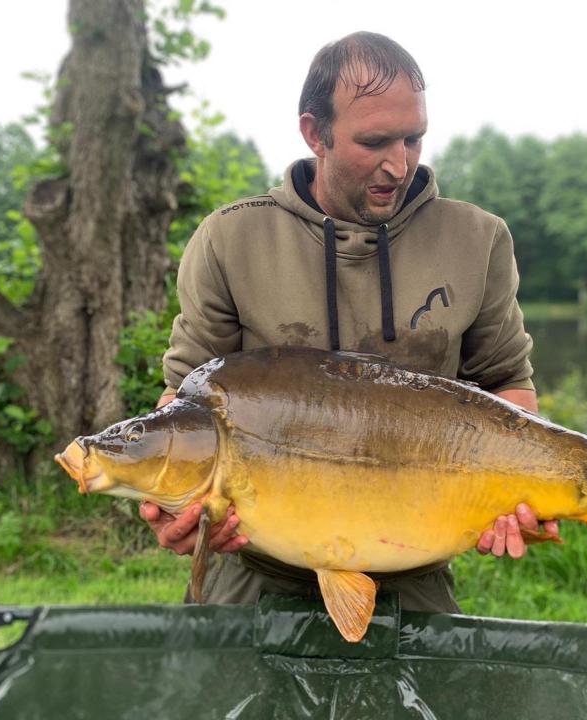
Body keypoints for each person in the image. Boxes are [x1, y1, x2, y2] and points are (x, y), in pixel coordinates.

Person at [140, 31, 559, 612]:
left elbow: (507, 380)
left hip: (413, 566)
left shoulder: (476, 238)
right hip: (254, 566)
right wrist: (172, 504)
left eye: (413, 138)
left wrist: (523, 498)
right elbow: (184, 395)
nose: (400, 164)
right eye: (374, 141)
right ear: (315, 133)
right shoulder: (230, 239)